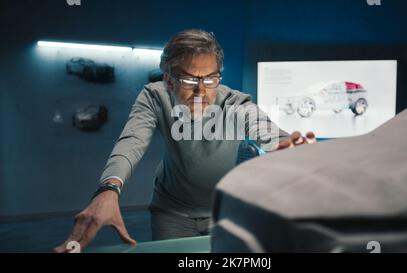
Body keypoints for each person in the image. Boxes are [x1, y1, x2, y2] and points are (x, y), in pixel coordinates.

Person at [54, 29, 316, 252]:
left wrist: (284, 145)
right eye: (190, 79)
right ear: (168, 79)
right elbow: (132, 141)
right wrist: (108, 189)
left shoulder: (234, 101)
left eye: (211, 79)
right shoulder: (154, 97)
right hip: (171, 212)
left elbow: (262, 127)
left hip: (225, 210)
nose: (201, 91)